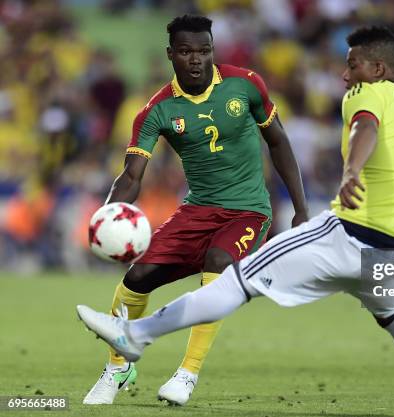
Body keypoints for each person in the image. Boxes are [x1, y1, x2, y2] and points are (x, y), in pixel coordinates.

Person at [77, 26, 394, 417]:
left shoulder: (369, 95)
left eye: (353, 66)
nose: (345, 76)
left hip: (343, 237)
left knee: (238, 280)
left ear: (379, 69)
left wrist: (351, 170)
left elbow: (365, 125)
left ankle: (135, 337)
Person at [82, 15, 308, 405]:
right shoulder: (157, 111)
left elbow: (279, 142)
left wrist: (300, 208)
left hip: (248, 211)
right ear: (171, 54)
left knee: (218, 261)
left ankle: (186, 374)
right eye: (186, 52)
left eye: (204, 50)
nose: (197, 60)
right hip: (197, 210)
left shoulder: (246, 84)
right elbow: (132, 175)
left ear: (212, 50)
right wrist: (109, 215)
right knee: (137, 277)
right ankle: (118, 367)